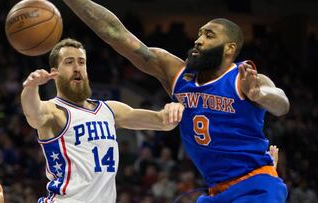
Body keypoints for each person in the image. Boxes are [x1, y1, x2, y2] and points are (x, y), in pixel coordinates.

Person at [59, 1, 290, 202]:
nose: (198, 40)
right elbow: (115, 33)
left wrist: (260, 95)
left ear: (229, 49)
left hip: (256, 186)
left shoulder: (244, 79)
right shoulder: (177, 75)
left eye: (209, 36)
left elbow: (281, 104)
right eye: (199, 33)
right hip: (216, 193)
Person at [21, 38, 184, 202]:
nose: (77, 68)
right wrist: (31, 86)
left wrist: (175, 109)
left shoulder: (110, 110)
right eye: (69, 62)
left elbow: (163, 122)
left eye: (81, 62)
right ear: (55, 72)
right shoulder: (54, 110)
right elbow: (33, 114)